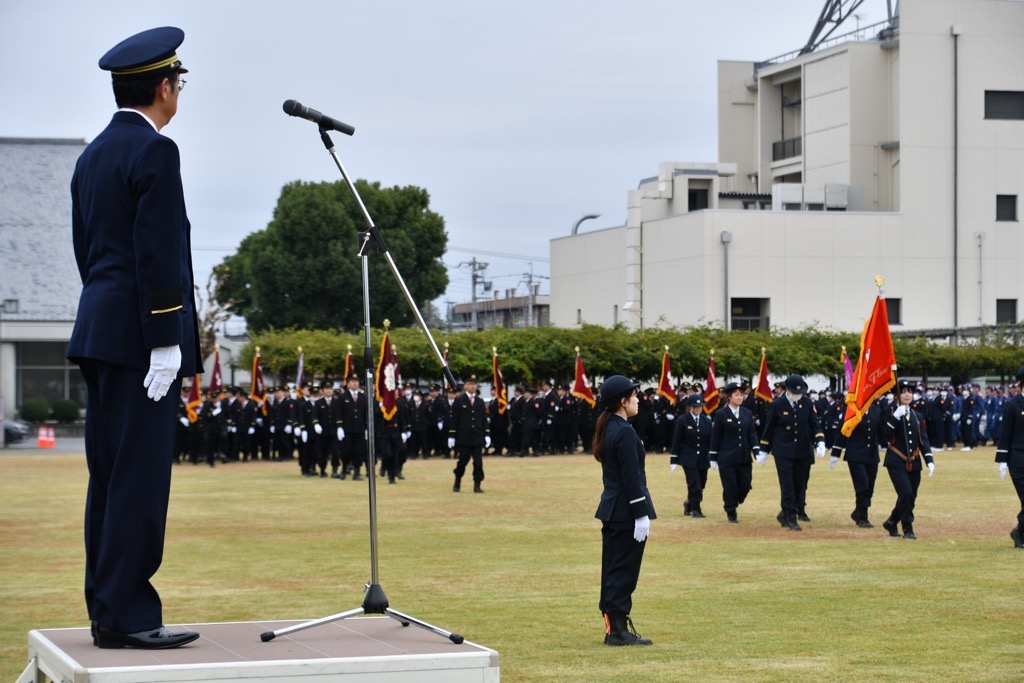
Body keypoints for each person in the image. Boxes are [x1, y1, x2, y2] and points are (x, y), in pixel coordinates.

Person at [66, 26, 201, 650]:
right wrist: (166, 338)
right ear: (164, 87)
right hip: (142, 343)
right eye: (179, 82)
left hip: (100, 329)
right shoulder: (156, 152)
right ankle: (131, 614)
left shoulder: (92, 154)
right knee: (140, 479)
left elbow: (88, 253)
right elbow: (157, 252)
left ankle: (108, 610)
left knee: (110, 476)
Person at [593, 375, 655, 647]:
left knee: (614, 569)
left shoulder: (612, 427)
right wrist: (641, 514)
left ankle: (614, 627)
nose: (638, 400)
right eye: (634, 395)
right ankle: (617, 631)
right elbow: (631, 478)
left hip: (614, 509)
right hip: (625, 512)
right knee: (623, 570)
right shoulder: (624, 431)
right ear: (622, 401)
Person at [760, 374, 826, 531]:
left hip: (802, 450)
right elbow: (769, 428)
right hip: (783, 451)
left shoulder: (807, 403)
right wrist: (763, 449)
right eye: (794, 393)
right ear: (787, 391)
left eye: (800, 393)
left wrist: (820, 441)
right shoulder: (777, 405)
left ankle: (784, 513)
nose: (797, 396)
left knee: (799, 484)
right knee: (787, 485)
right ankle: (791, 516)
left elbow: (814, 424)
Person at [879, 379, 936, 540]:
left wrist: (929, 459)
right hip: (896, 460)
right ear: (896, 395)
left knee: (911, 496)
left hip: (914, 461)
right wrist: (896, 417)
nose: (907, 394)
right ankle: (907, 527)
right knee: (906, 492)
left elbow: (922, 440)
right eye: (903, 391)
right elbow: (885, 434)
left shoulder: (917, 415)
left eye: (909, 392)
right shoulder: (889, 412)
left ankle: (892, 521)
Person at [709, 382, 759, 523]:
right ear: (729, 397)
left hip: (744, 457)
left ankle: (736, 500)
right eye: (736, 395)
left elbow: (752, 434)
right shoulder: (721, 414)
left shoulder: (747, 413)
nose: (740, 397)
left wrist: (756, 450)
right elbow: (716, 436)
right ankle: (731, 511)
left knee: (745, 484)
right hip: (727, 458)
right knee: (730, 486)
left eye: (741, 395)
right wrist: (713, 457)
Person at [831, 399, 882, 528]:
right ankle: (863, 517)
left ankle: (857, 512)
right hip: (855, 454)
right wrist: (836, 452)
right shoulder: (853, 410)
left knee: (870, 487)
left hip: (872, 454)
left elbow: (883, 432)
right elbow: (844, 430)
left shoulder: (877, 410)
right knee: (862, 486)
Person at [669, 394, 712, 519]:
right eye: (696, 406)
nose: (698, 408)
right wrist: (673, 459)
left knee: (702, 483)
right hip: (688, 457)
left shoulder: (706, 421)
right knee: (694, 483)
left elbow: (710, 440)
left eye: (700, 406)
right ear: (690, 407)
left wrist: (714, 456)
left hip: (703, 457)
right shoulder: (683, 420)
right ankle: (695, 509)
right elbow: (677, 440)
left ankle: (689, 502)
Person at [995, 366, 1024, 548]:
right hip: (1018, 458)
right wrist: (1002, 461)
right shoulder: (1013, 404)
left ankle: (1019, 531)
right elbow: (1005, 433)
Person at [450, 374, 490, 492]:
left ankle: (477, 485)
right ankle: (457, 480)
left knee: (478, 463)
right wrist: (452, 435)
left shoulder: (480, 401)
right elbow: (454, 419)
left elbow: (484, 419)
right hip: (464, 437)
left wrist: (487, 434)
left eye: (474, 384)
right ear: (465, 386)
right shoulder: (459, 400)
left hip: (477, 437)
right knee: (463, 461)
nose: (473, 387)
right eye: (470, 384)